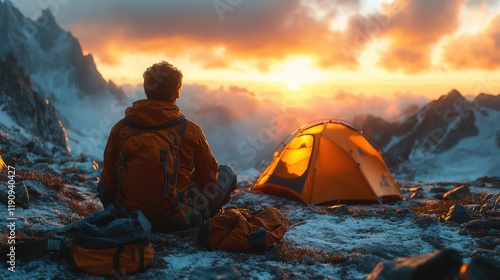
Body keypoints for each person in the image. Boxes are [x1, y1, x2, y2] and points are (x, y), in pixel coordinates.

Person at [97, 61, 237, 232]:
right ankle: (210, 217)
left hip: (129, 216)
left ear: (147, 90)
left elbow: (107, 183)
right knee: (227, 173)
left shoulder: (121, 129)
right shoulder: (190, 130)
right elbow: (209, 176)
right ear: (175, 94)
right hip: (177, 220)